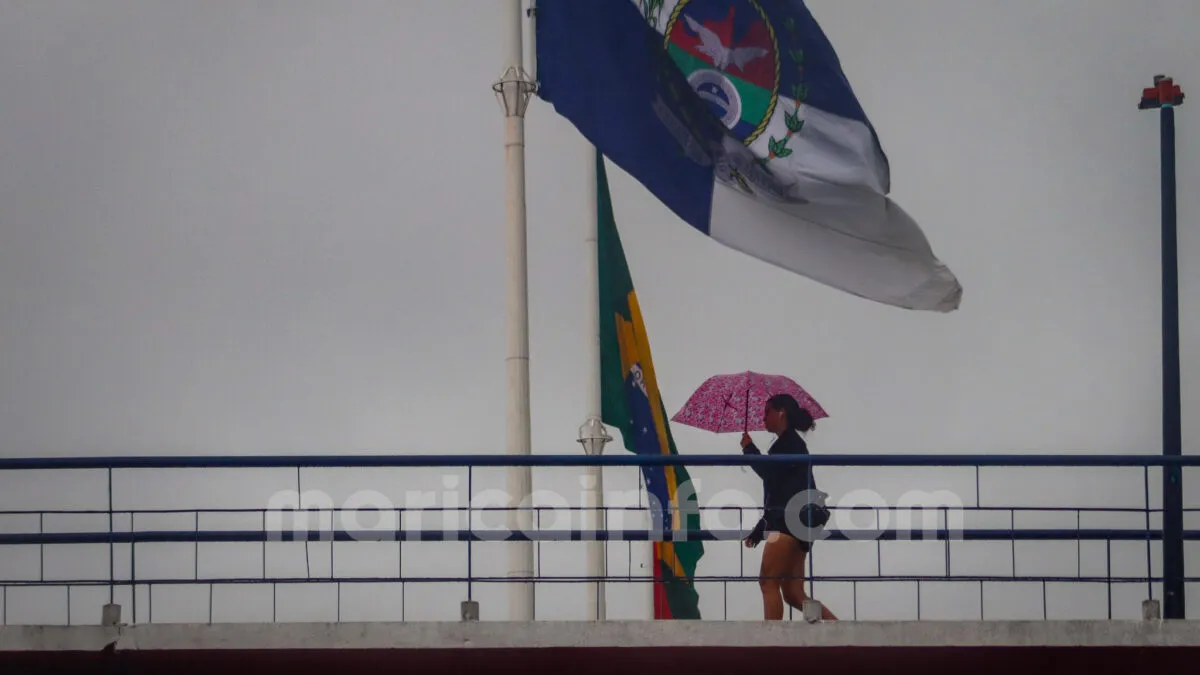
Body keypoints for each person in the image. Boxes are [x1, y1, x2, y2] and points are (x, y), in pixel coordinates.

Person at [741, 393, 838, 621]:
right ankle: (838, 630)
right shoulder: (791, 444)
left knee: (768, 582)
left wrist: (749, 449)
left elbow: (769, 476)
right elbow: (779, 493)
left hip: (787, 525)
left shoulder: (789, 444)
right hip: (800, 524)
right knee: (794, 593)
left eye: (767, 412)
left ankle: (772, 643)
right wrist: (759, 529)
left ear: (781, 412)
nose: (763, 418)